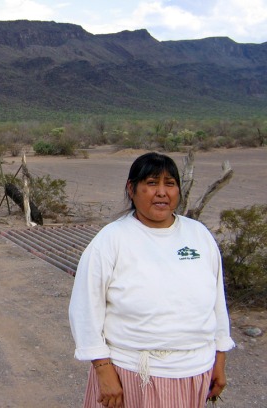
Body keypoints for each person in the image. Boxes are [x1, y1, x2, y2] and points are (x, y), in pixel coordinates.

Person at [68, 152, 234, 408]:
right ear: (131, 189)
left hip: (195, 369)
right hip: (132, 373)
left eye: (169, 184)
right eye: (151, 183)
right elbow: (85, 309)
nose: (161, 192)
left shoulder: (198, 235)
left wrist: (219, 359)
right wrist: (103, 369)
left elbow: (216, 304)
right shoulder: (111, 240)